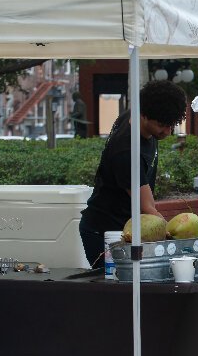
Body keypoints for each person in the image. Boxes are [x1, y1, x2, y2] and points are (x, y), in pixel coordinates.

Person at [79, 80, 187, 270]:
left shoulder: (137, 116)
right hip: (104, 231)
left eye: (172, 125)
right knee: (116, 292)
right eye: (162, 125)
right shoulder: (127, 151)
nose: (168, 132)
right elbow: (147, 207)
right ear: (144, 116)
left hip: (124, 226)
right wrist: (174, 236)